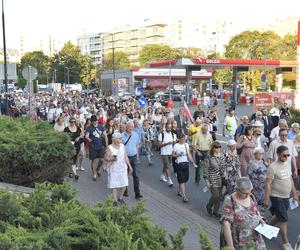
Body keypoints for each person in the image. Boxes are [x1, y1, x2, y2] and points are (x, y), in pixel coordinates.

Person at [264, 145, 299, 250]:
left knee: (279, 215)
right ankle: (286, 243)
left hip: (286, 196)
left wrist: (295, 194)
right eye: (284, 155)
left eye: (288, 155)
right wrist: (266, 199)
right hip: (276, 197)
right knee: (283, 219)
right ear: (278, 154)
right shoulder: (272, 167)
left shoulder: (287, 165)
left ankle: (266, 229)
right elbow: (268, 184)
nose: (286, 157)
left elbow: (290, 180)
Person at [221, 177, 266, 250]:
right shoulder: (230, 201)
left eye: (249, 192)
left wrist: (260, 219)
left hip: (255, 238)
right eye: (244, 193)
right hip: (240, 241)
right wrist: (230, 246)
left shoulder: (251, 196)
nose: (247, 195)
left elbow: (255, 210)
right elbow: (226, 224)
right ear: (237, 189)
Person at [104, 132, 133, 206]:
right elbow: (106, 158)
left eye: (120, 138)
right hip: (114, 168)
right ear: (114, 139)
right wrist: (112, 159)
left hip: (122, 168)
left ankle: (120, 197)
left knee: (124, 183)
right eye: (119, 138)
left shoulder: (122, 146)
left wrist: (129, 166)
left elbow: (125, 156)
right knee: (114, 185)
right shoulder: (109, 148)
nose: (121, 139)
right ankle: (115, 200)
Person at [172, 134, 197, 203]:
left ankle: (180, 191)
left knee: (185, 179)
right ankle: (184, 196)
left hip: (185, 164)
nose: (183, 140)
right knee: (182, 180)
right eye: (182, 139)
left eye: (184, 139)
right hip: (179, 164)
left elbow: (188, 154)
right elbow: (173, 155)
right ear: (179, 139)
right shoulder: (176, 145)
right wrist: (178, 155)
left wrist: (193, 162)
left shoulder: (186, 145)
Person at [121, 121, 143, 199]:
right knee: (125, 175)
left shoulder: (136, 135)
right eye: (129, 126)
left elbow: (137, 145)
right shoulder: (122, 136)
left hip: (133, 157)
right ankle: (125, 191)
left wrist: (137, 156)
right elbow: (120, 148)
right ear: (126, 127)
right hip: (125, 158)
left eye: (132, 126)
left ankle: (137, 193)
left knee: (136, 175)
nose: (131, 128)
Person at [204, 141, 225, 218]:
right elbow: (205, 170)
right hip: (212, 178)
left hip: (221, 178)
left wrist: (225, 174)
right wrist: (206, 181)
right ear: (213, 148)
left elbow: (223, 166)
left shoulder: (221, 156)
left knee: (219, 197)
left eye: (219, 147)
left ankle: (216, 211)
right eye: (216, 147)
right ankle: (209, 206)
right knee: (215, 195)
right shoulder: (209, 157)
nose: (218, 149)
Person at [85, 114, 108, 181]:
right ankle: (94, 174)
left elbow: (105, 136)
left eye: (96, 120)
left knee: (101, 160)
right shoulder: (89, 128)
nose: (95, 122)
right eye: (94, 121)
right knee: (94, 160)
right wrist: (90, 140)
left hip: (100, 146)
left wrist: (106, 146)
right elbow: (87, 136)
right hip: (93, 146)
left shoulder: (101, 127)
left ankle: (98, 169)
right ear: (91, 121)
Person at [247, 147, 267, 213]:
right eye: (258, 154)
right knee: (254, 200)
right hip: (255, 185)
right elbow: (248, 174)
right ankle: (253, 214)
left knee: (262, 200)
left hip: (263, 185)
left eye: (262, 154)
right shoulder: (252, 163)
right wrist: (248, 185)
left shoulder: (263, 162)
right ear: (255, 154)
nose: (260, 155)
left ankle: (261, 215)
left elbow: (266, 172)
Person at [158, 123, 177, 187]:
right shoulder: (162, 134)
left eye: (170, 128)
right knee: (167, 166)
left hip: (170, 152)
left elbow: (174, 144)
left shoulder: (173, 135)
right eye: (168, 128)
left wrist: (174, 143)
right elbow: (159, 145)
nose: (169, 129)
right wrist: (167, 143)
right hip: (164, 153)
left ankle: (162, 176)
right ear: (165, 127)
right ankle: (169, 180)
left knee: (166, 165)